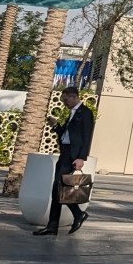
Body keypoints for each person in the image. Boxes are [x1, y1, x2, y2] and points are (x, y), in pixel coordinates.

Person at [34, 87, 94, 236]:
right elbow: (67, 135)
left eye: (66, 100)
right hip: (65, 153)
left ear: (74, 97)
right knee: (58, 189)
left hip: (73, 155)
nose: (64, 103)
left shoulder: (85, 113)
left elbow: (86, 137)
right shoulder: (72, 114)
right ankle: (54, 225)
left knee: (59, 188)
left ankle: (76, 214)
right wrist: (56, 127)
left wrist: (81, 157)